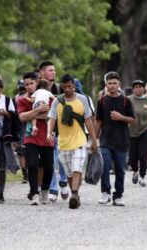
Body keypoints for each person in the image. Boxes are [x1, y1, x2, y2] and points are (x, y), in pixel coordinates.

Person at [47, 74, 97, 209]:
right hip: (63, 142)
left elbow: (88, 119)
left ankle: (74, 194)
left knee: (77, 168)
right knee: (69, 173)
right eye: (65, 87)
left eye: (70, 86)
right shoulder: (57, 101)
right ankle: (75, 194)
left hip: (80, 140)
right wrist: (49, 132)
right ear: (62, 87)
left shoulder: (83, 100)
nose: (67, 89)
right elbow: (52, 118)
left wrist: (93, 139)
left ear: (74, 86)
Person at [95, 71, 135, 206]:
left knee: (119, 169)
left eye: (114, 83)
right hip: (105, 139)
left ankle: (118, 195)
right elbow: (98, 121)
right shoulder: (101, 101)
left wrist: (121, 117)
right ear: (106, 85)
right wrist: (94, 140)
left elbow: (132, 120)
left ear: (119, 84)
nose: (112, 86)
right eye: (109, 83)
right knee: (105, 165)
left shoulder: (126, 100)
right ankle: (105, 192)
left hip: (121, 140)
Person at [17, 72, 54, 205]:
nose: (29, 87)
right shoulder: (22, 100)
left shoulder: (47, 96)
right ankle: (34, 193)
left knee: (48, 167)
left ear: (36, 83)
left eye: (31, 83)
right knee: (32, 164)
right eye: (26, 84)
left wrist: (32, 115)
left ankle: (44, 190)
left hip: (47, 136)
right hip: (30, 136)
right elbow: (21, 117)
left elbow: (52, 116)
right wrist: (38, 111)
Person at [39, 61, 69, 202]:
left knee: (61, 159)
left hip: (60, 130)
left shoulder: (59, 88)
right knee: (50, 160)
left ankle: (63, 181)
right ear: (42, 73)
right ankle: (53, 188)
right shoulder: (37, 89)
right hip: (43, 130)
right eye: (51, 70)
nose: (54, 73)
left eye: (55, 70)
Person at [13, 79, 28, 183]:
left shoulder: (32, 97)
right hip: (20, 127)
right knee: (21, 153)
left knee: (26, 152)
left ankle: (27, 174)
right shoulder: (16, 99)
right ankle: (25, 174)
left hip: (28, 126)